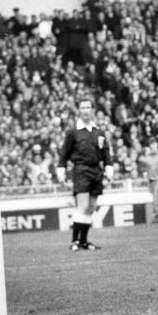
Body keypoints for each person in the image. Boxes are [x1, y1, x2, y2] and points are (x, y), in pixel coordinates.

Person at [58, 99, 114, 251]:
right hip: (81, 170)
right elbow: (64, 154)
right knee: (82, 206)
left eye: (88, 107)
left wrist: (109, 169)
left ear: (92, 110)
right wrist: (61, 171)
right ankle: (74, 241)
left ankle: (84, 241)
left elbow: (106, 153)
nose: (86, 110)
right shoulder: (73, 132)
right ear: (79, 111)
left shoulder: (99, 132)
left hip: (96, 171)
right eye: (83, 107)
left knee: (91, 207)